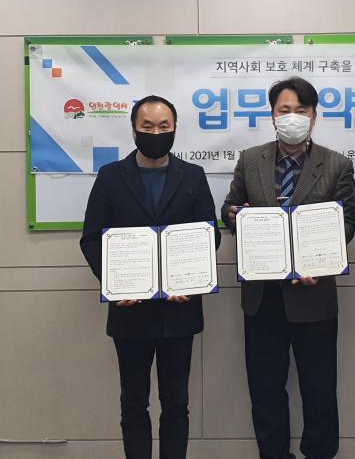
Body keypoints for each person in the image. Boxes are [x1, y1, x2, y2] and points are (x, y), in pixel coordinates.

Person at [80, 95, 221, 459]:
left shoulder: (193, 175)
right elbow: (91, 238)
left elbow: (210, 235)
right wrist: (114, 284)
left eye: (163, 127)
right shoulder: (111, 177)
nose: (155, 133)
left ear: (174, 129)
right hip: (130, 312)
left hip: (180, 310)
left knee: (176, 405)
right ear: (133, 130)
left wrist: (190, 279)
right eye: (147, 126)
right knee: (133, 405)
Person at [222, 77, 355, 459]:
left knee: (319, 391)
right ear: (272, 114)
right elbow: (229, 208)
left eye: (301, 110)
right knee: (265, 391)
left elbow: (346, 223)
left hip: (314, 297)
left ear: (313, 116)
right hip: (262, 298)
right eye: (285, 110)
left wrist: (321, 260)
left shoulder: (337, 164)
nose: (292, 117)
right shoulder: (251, 160)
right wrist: (235, 216)